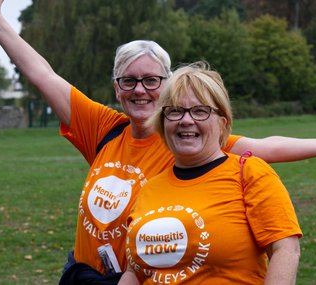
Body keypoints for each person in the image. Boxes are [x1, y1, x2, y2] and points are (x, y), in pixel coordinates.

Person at [0, 0, 316, 283]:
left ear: (169, 84)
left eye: (151, 80)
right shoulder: (103, 127)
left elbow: (262, 148)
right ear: (117, 88)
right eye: (128, 81)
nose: (140, 90)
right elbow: (41, 74)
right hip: (86, 273)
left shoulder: (185, 139)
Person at [119, 61, 302, 285]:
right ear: (163, 122)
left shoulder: (249, 173)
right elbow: (134, 272)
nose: (186, 120)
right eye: (175, 111)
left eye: (199, 111)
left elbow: (286, 250)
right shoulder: (149, 189)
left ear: (222, 124)